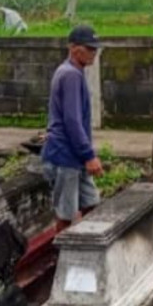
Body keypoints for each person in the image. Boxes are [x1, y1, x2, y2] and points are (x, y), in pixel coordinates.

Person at [41, 25, 104, 233]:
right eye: (89, 48)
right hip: (65, 154)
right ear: (74, 48)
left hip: (73, 153)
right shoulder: (70, 75)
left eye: (95, 49)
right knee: (66, 215)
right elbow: (72, 120)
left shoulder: (72, 72)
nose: (94, 53)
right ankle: (61, 256)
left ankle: (80, 243)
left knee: (91, 202)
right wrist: (88, 155)